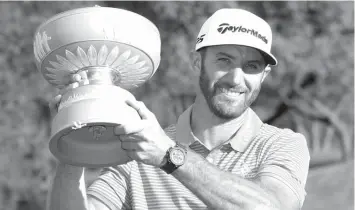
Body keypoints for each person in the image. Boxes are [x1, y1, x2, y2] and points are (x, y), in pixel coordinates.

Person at [47, 8, 310, 210]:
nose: (236, 78)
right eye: (224, 60)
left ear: (264, 75)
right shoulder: (139, 151)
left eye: (251, 66)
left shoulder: (282, 144)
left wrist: (169, 156)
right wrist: (71, 144)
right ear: (197, 62)